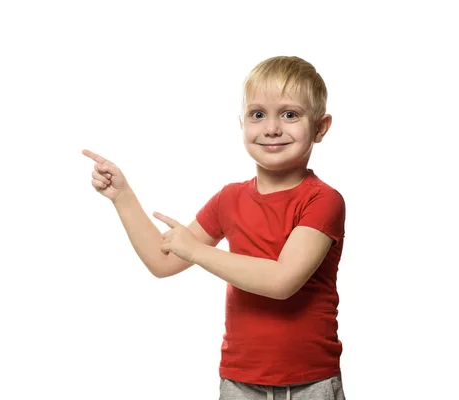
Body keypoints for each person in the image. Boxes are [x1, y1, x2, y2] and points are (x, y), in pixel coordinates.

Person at [82, 55, 346, 400]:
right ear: (242, 124)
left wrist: (196, 250)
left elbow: (282, 281)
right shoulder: (228, 199)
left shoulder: (324, 200)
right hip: (240, 381)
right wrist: (123, 197)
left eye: (290, 114)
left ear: (321, 127)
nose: (271, 128)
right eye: (257, 114)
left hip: (312, 383)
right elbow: (163, 262)